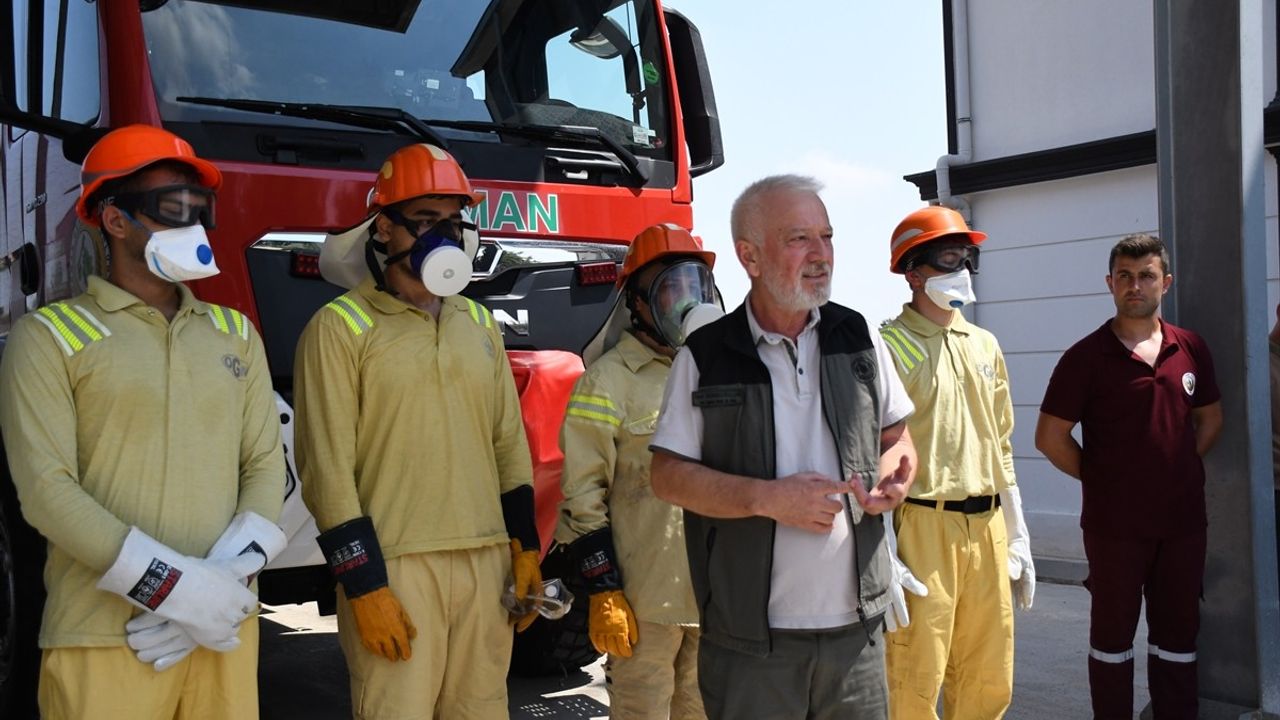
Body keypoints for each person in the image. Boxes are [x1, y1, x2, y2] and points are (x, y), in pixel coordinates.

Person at [0, 124, 286, 720]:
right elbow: (47, 493)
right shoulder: (48, 339)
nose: (193, 228)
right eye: (172, 210)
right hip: (102, 642)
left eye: (199, 211)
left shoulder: (236, 334)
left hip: (220, 638)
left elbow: (264, 467)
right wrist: (178, 592)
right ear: (114, 219)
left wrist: (223, 586)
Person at [650, 175, 917, 720]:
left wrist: (895, 472)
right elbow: (668, 475)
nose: (821, 255)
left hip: (855, 637)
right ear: (749, 256)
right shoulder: (705, 356)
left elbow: (897, 435)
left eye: (827, 236)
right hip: (751, 642)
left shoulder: (859, 337)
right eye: (800, 239)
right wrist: (765, 498)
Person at [294, 142, 541, 719]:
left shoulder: (477, 323)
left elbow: (508, 443)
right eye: (425, 222)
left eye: (452, 223)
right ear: (384, 229)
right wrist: (365, 586)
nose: (443, 238)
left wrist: (526, 548)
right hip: (398, 567)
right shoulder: (340, 329)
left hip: (485, 565)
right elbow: (326, 470)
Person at [1035, 233, 1222, 720]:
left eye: (1145, 276)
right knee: (1112, 644)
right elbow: (1050, 438)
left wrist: (1173, 470)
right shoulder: (1084, 358)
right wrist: (1104, 480)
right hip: (1113, 530)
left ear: (1166, 282)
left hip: (1182, 527)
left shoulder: (1191, 348)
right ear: (1110, 283)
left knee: (1178, 642)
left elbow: (1210, 420)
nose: (1134, 285)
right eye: (1124, 276)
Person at [876, 205, 1034, 720]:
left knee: (989, 676)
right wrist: (883, 552)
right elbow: (867, 454)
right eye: (948, 258)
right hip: (923, 527)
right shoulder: (887, 347)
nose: (961, 270)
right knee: (915, 677)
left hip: (985, 527)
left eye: (966, 257)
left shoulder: (984, 344)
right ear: (913, 273)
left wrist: (1017, 533)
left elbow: (1001, 443)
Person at [557, 223, 720, 720]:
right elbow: (582, 496)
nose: (685, 300)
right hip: (645, 605)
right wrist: (604, 589)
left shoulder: (719, 371)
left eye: (694, 285)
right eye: (670, 288)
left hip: (715, 602)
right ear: (638, 302)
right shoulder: (606, 383)